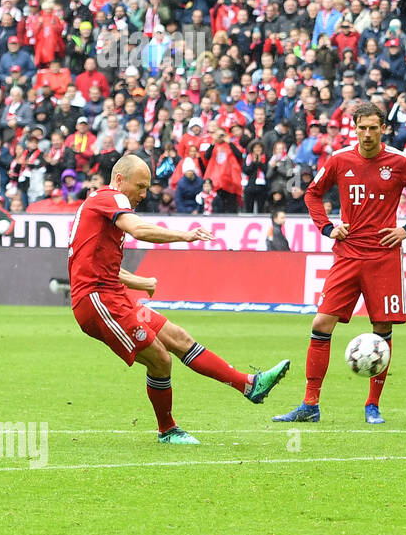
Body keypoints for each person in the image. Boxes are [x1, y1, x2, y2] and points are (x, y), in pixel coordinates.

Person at [69, 155, 290, 443]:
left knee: (178, 338)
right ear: (120, 180)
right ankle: (168, 430)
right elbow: (139, 230)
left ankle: (250, 385)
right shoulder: (112, 198)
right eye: (140, 186)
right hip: (98, 301)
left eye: (147, 188)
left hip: (113, 294)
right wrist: (185, 236)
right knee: (160, 359)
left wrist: (140, 282)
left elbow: (97, 264)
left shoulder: (100, 207)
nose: (144, 194)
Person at [273, 102, 406, 426]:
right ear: (354, 127)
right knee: (321, 324)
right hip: (348, 253)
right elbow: (312, 194)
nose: (367, 134)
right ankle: (310, 404)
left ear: (384, 129)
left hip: (383, 256)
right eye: (362, 128)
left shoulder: (399, 162)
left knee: (382, 329)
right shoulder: (340, 160)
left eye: (373, 128)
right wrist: (327, 227)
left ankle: (372, 405)